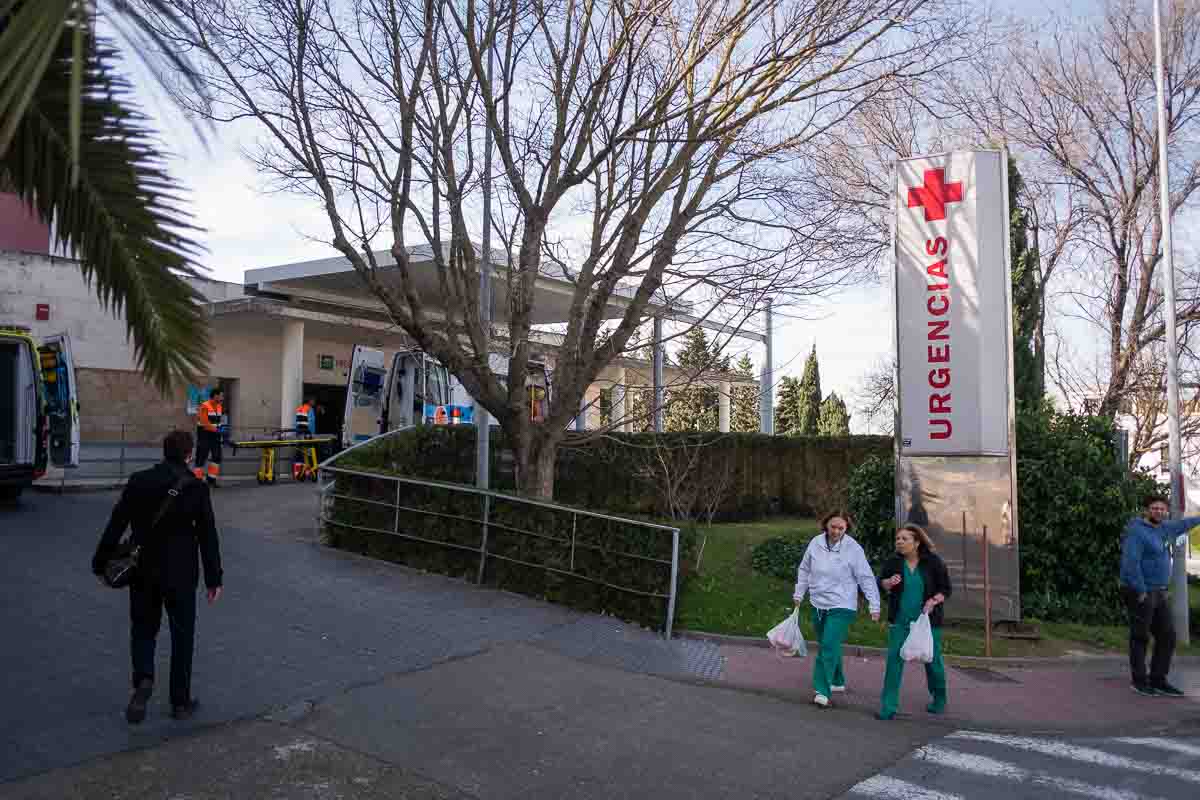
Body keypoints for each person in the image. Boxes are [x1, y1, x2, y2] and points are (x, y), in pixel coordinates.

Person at [92, 430, 223, 724]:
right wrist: (214, 579)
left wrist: (100, 564)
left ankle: (144, 680)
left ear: (164, 452)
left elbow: (116, 524)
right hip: (181, 574)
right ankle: (180, 701)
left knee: (142, 628)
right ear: (189, 455)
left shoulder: (139, 481)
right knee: (182, 636)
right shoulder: (196, 488)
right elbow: (207, 536)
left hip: (143, 570)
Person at [793, 510, 881, 708]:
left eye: (841, 528)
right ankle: (838, 681)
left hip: (842, 604)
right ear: (826, 525)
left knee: (828, 645)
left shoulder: (853, 548)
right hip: (818, 602)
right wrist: (799, 593)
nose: (836, 531)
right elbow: (804, 569)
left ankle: (821, 690)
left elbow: (865, 577)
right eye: (833, 527)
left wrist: (873, 603)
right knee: (828, 644)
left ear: (846, 528)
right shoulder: (815, 543)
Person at [1120, 494, 1200, 697]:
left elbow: (1183, 524)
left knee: (1167, 636)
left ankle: (1158, 680)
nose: (1159, 512)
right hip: (1141, 591)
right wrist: (1141, 590)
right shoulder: (1137, 532)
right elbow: (1131, 564)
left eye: (1162, 509)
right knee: (1140, 637)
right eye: (1155, 508)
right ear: (1146, 510)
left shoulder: (1164, 528)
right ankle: (1139, 681)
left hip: (1159, 591)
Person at [876, 523, 952, 720]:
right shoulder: (893, 562)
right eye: (898, 539)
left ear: (916, 542)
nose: (899, 542)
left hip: (927, 621)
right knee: (894, 661)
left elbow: (946, 589)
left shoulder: (933, 562)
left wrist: (933, 601)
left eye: (904, 539)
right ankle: (888, 706)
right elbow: (881, 583)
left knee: (932, 661)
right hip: (900, 621)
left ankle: (939, 698)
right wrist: (887, 583)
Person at [193, 388, 224, 486]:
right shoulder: (204, 406)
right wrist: (218, 430)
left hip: (215, 437)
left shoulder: (219, 406)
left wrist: (222, 428)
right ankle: (197, 482)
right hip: (204, 436)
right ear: (215, 396)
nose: (222, 398)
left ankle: (211, 480)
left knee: (217, 457)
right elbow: (205, 423)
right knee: (201, 459)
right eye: (221, 395)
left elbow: (218, 422)